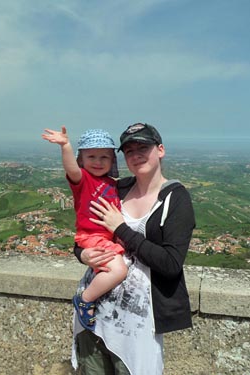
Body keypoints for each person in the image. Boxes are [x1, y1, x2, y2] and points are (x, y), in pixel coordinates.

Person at [71, 123, 196, 375]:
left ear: (160, 150)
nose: (136, 154)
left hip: (137, 323)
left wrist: (121, 229)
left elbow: (171, 264)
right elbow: (86, 232)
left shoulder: (175, 198)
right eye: (129, 150)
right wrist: (81, 254)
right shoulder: (118, 188)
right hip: (92, 312)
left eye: (143, 147)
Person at [42, 126, 128, 331]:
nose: (98, 162)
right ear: (82, 159)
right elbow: (71, 169)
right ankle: (85, 299)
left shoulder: (111, 183)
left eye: (104, 157)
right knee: (119, 270)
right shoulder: (83, 180)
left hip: (106, 238)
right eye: (91, 157)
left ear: (112, 161)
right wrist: (65, 146)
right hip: (92, 236)